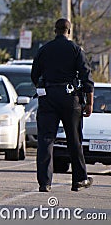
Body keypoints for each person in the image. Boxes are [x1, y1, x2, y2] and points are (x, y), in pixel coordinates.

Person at [31, 18, 94, 192]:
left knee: (46, 140)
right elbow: (86, 77)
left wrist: (46, 87)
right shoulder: (75, 49)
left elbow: (35, 75)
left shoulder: (44, 50)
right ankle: (79, 180)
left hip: (48, 98)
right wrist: (89, 103)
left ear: (55, 30)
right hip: (70, 98)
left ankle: (45, 183)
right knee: (74, 140)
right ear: (69, 30)